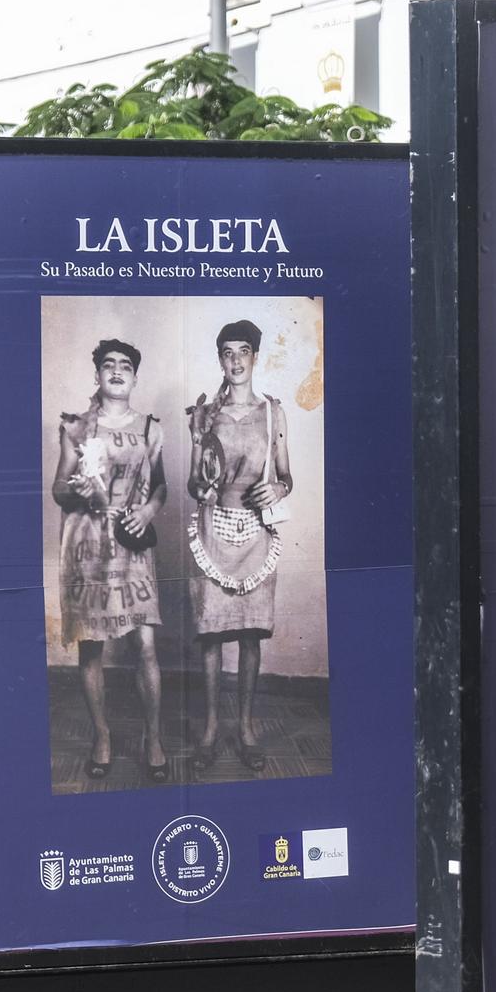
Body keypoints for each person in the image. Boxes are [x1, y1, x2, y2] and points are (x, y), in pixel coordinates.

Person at [53, 338, 168, 782]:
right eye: (108, 365)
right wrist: (75, 491)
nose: (117, 371)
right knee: (91, 643)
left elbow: (160, 486)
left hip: (132, 537)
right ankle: (102, 736)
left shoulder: (149, 428)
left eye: (125, 366)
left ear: (135, 378)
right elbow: (58, 489)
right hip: (86, 543)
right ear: (97, 375)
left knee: (145, 646)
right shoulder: (76, 428)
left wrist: (148, 511)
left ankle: (153, 737)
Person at [186, 319, 293, 774]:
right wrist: (203, 490)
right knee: (211, 635)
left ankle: (246, 728)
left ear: (255, 357)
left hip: (256, 534)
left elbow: (286, 475)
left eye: (243, 351)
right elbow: (194, 481)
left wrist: (280, 490)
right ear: (220, 359)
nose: (235, 360)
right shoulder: (204, 415)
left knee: (250, 634)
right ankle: (211, 729)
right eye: (227, 352)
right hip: (213, 531)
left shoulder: (274, 412)